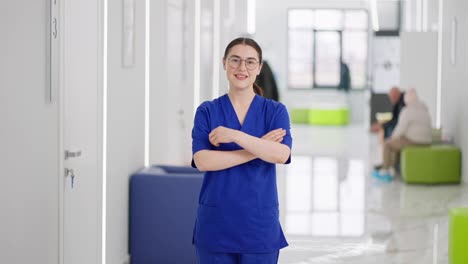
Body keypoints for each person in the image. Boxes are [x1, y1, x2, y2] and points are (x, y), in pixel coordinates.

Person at [191, 37, 293, 264]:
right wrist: (258, 147)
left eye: (249, 62)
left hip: (258, 225)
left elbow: (281, 154)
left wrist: (235, 136)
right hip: (216, 223)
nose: (241, 68)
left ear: (259, 67)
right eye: (235, 60)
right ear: (224, 63)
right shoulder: (207, 111)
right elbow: (202, 161)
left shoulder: (275, 111)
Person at [373, 88, 432, 179]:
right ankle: (392, 167)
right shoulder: (424, 109)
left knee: (388, 144)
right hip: (427, 142)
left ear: (406, 99)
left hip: (415, 141)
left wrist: (392, 138)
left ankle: (385, 170)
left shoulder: (407, 111)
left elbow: (400, 129)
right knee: (398, 142)